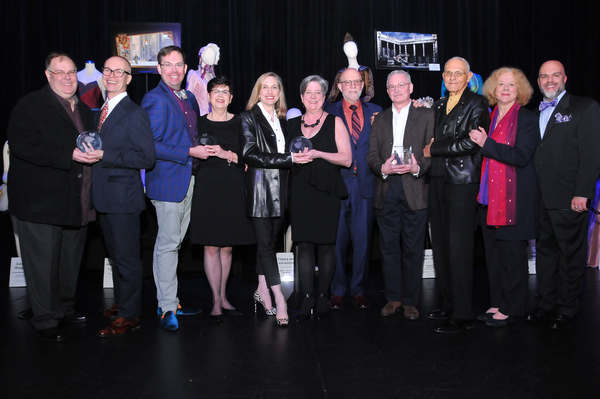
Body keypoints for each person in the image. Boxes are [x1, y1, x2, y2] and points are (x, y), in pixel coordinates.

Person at [7, 52, 98, 342]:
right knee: (42, 263)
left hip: (76, 202)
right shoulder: (31, 105)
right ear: (48, 75)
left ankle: (64, 309)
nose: (69, 77)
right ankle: (45, 319)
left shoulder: (84, 110)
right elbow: (22, 146)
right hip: (40, 202)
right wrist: (68, 154)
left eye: (72, 72)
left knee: (70, 261)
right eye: (61, 73)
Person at [530, 60, 600, 330]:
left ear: (565, 78)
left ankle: (567, 307)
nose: (549, 81)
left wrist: (582, 192)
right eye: (544, 77)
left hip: (570, 198)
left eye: (555, 76)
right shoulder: (533, 111)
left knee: (571, 256)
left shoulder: (585, 108)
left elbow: (592, 155)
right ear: (538, 82)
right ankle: (546, 305)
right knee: (545, 255)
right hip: (540, 198)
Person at [423, 56, 490, 334]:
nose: (452, 78)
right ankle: (448, 304)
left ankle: (463, 314)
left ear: (468, 76)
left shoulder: (478, 103)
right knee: (440, 245)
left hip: (462, 184)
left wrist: (434, 149)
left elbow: (470, 142)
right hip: (437, 181)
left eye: (457, 73)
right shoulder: (439, 105)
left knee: (459, 248)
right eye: (448, 73)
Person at [468, 67, 538, 327]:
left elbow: (521, 156)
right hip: (489, 200)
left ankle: (514, 307)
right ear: (493, 91)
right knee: (494, 256)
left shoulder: (528, 119)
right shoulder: (490, 116)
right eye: (501, 85)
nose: (506, 89)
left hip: (515, 200)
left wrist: (487, 144)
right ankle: (499, 301)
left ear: (519, 90)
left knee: (512, 257)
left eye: (511, 85)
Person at [241, 72, 312, 327]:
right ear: (258, 91)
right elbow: (250, 154)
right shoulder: (249, 117)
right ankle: (279, 297)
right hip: (260, 192)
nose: (270, 92)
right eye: (265, 87)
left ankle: (261, 290)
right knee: (267, 246)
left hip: (281, 191)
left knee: (267, 244)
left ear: (280, 92)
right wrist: (289, 160)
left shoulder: (282, 120)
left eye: (275, 87)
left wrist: (295, 158)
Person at [91, 56, 155, 336]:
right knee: (115, 256)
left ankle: (131, 315)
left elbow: (147, 157)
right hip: (103, 196)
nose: (112, 75)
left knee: (127, 258)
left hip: (124, 199)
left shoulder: (134, 113)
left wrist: (106, 155)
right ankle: (121, 303)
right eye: (108, 70)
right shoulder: (99, 111)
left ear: (129, 78)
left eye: (119, 71)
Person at [141, 45, 204, 332]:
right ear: (159, 69)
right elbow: (150, 146)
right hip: (167, 181)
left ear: (186, 68)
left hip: (187, 178)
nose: (175, 70)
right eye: (168, 65)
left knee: (174, 243)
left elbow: (187, 134)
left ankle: (170, 300)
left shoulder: (188, 96)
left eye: (179, 64)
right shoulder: (154, 99)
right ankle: (166, 306)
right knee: (167, 244)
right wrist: (190, 152)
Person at [367, 70, 434, 320]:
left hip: (415, 189)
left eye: (401, 85)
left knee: (414, 248)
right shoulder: (380, 119)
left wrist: (419, 168)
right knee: (388, 248)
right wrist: (381, 168)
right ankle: (393, 298)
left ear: (411, 87)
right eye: (391, 87)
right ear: (387, 91)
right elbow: (371, 156)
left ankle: (411, 302)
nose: (396, 90)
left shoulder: (427, 115)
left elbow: (431, 152)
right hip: (387, 189)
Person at [191, 76, 254, 318]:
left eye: (225, 91)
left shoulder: (240, 123)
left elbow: (248, 158)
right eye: (215, 91)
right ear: (208, 96)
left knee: (227, 248)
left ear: (231, 98)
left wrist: (224, 153)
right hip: (207, 187)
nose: (220, 95)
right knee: (210, 246)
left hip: (232, 187)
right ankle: (215, 300)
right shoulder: (198, 123)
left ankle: (224, 295)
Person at [288, 75, 352, 317]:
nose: (313, 97)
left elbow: (347, 159)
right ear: (302, 97)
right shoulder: (291, 124)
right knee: (303, 245)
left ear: (324, 97)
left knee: (326, 246)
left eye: (318, 93)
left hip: (327, 190)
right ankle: (306, 297)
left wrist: (317, 154)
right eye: (308, 92)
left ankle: (323, 296)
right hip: (300, 191)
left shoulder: (334, 122)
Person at [325, 68, 381, 310]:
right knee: (336, 242)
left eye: (356, 81)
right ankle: (337, 290)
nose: (352, 86)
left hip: (367, 186)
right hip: (337, 184)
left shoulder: (377, 112)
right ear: (338, 85)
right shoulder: (328, 113)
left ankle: (358, 289)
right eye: (346, 82)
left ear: (363, 84)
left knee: (363, 242)